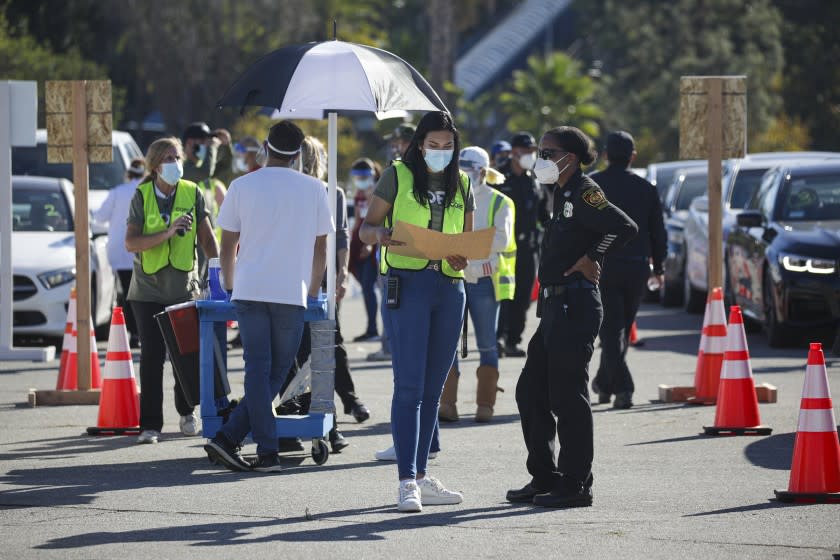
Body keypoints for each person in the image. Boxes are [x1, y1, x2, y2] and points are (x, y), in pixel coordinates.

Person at [506, 126, 637, 508]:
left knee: (567, 397)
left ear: (571, 157)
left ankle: (576, 483)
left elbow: (624, 227)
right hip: (555, 308)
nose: (540, 158)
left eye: (548, 152)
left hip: (576, 306)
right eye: (540, 151)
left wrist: (593, 256)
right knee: (531, 391)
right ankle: (545, 477)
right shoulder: (560, 191)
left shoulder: (583, 190)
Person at [203, 120, 332, 473]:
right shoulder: (315, 188)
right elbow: (321, 248)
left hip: (249, 287)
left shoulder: (242, 185)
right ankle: (253, 446)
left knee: (258, 369)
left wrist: (229, 284)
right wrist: (314, 289)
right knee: (274, 373)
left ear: (266, 146)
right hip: (291, 290)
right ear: (299, 152)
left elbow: (228, 241)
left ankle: (241, 442)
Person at [360, 111, 472, 512]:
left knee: (432, 390)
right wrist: (383, 236)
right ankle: (406, 481)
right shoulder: (397, 175)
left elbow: (468, 239)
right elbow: (365, 229)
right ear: (419, 144)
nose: (440, 152)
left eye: (447, 146)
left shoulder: (463, 182)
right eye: (433, 145)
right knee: (408, 387)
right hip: (407, 286)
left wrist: (464, 256)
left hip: (449, 288)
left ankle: (422, 476)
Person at [277, 137, 370, 453]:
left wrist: (341, 274)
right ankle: (295, 419)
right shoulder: (286, 193)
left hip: (322, 283)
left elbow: (341, 238)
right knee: (294, 351)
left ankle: (328, 424)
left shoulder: (333, 194)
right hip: (289, 281)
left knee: (324, 347)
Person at [124, 137, 220, 444]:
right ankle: (150, 425)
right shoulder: (141, 195)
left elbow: (207, 239)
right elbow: (131, 243)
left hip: (182, 289)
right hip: (147, 290)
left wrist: (218, 276)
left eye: (177, 157)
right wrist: (166, 233)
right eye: (167, 158)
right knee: (152, 358)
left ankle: (186, 411)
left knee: (186, 356)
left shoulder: (192, 192)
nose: (175, 163)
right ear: (154, 166)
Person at [589, 131, 666, 409]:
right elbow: (658, 232)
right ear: (633, 156)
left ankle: (611, 384)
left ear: (606, 155)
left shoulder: (592, 185)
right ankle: (614, 385)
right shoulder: (646, 188)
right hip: (637, 268)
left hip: (602, 266)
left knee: (611, 331)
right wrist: (659, 267)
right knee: (617, 330)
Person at [438, 146, 515, 423]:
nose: (463, 175)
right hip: (453, 278)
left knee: (487, 345)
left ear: (483, 171)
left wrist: (462, 247)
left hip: (483, 280)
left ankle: (485, 405)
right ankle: (447, 404)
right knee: (447, 343)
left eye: (468, 169)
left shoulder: (500, 202)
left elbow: (501, 240)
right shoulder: (449, 197)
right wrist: (472, 244)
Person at [495, 132, 547, 357]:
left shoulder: (534, 179)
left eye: (532, 152)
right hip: (502, 248)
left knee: (523, 296)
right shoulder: (498, 177)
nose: (530, 155)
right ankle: (495, 338)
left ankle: (513, 341)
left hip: (528, 248)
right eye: (526, 151)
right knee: (502, 295)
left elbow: (544, 214)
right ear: (514, 152)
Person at [93, 157, 145, 347]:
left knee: (125, 293)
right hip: (144, 250)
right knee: (140, 293)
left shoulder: (117, 192)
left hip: (120, 251)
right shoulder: (148, 190)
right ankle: (139, 332)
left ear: (128, 173)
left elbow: (99, 218)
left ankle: (132, 332)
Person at [348, 158, 382, 342]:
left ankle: (373, 329)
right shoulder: (359, 194)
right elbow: (359, 220)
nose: (360, 180)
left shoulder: (379, 191)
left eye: (364, 176)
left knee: (369, 287)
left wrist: (370, 243)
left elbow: (378, 219)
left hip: (374, 245)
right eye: (357, 177)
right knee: (364, 285)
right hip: (359, 244)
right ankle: (371, 327)